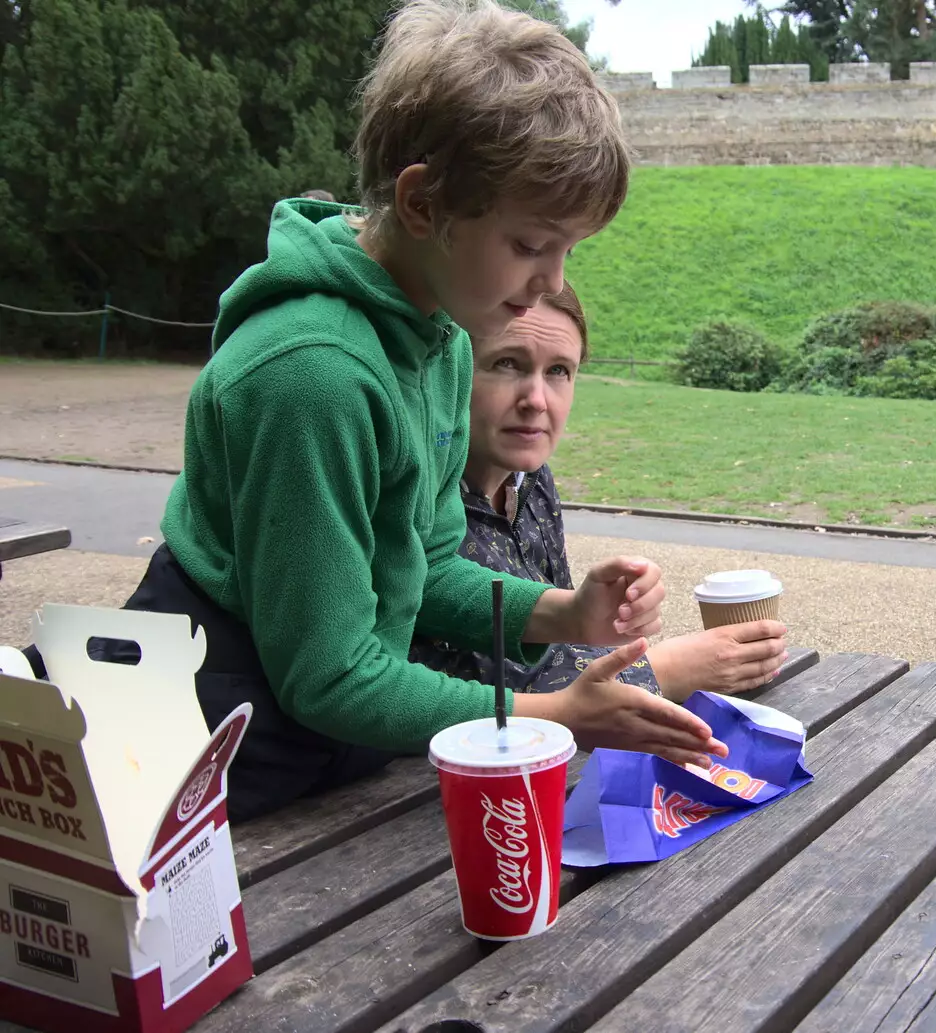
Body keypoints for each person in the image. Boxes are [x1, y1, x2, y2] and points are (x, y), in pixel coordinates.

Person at [32, 0, 726, 822]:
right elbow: (329, 674)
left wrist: (561, 612)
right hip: (207, 748)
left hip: (329, 745)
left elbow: (425, 565)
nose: (551, 281)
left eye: (567, 250)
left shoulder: (442, 336)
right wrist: (556, 719)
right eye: (531, 245)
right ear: (424, 204)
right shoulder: (312, 375)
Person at [412, 288, 790, 701]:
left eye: (559, 371)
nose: (536, 400)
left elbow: (553, 652)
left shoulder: (533, 482)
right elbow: (445, 689)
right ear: (450, 370)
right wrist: (663, 670)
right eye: (506, 363)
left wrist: (601, 618)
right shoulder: (419, 501)